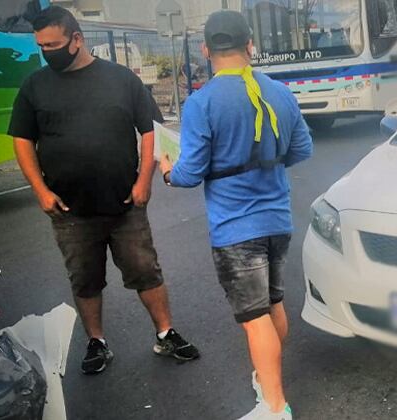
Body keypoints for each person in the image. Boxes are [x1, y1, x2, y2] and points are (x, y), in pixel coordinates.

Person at [8, 6, 199, 375]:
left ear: (77, 40)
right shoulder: (35, 86)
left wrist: (144, 182)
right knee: (85, 278)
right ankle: (97, 342)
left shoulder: (121, 79)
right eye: (41, 46)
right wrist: (40, 191)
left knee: (146, 270)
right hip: (69, 211)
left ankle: (166, 332)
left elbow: (150, 131)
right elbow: (22, 140)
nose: (47, 52)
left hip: (125, 205)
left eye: (54, 44)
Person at [158, 10, 312, 420]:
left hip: (235, 229)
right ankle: (268, 382)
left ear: (207, 49)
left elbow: (190, 173)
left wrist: (168, 173)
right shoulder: (279, 92)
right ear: (250, 46)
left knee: (254, 317)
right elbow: (302, 150)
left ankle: (276, 407)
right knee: (273, 303)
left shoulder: (202, 102)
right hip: (277, 220)